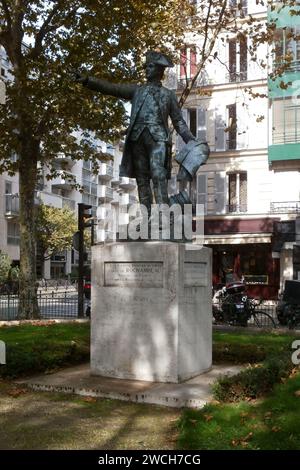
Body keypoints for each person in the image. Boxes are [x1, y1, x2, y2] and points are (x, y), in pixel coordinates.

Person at [74, 50, 197, 218]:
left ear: (160, 71)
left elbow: (179, 122)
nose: (146, 69)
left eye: (150, 66)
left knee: (158, 174)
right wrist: (88, 80)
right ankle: (146, 219)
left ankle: (163, 216)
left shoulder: (168, 95)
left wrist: (190, 139)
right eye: (145, 66)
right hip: (137, 138)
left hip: (158, 138)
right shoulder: (137, 90)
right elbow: (112, 88)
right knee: (141, 179)